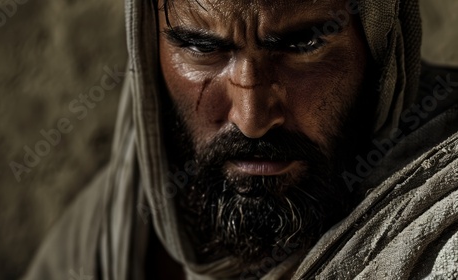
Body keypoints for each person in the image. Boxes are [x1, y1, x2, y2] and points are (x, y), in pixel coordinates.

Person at [24, 0, 458, 279]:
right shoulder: (112, 228)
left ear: (382, 44)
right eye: (201, 46)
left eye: (303, 43)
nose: (251, 119)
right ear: (147, 45)